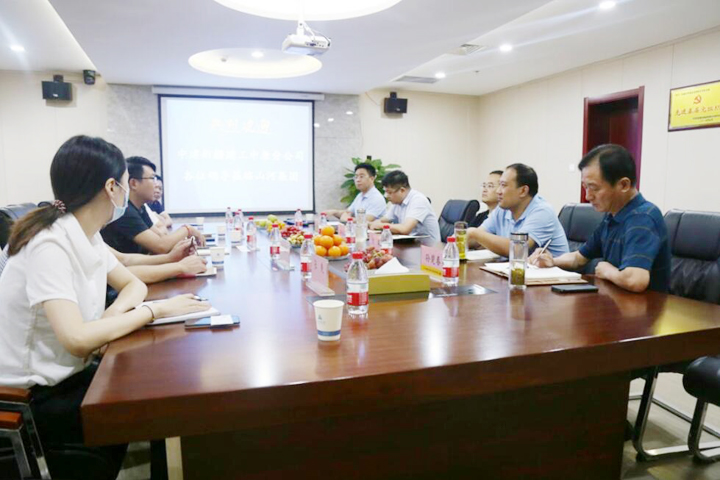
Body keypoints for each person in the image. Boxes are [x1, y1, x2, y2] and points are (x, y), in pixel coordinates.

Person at [0, 135, 209, 479]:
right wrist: (153, 311)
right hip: (33, 396)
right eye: (126, 183)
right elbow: (77, 340)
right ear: (112, 187)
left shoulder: (86, 233)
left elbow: (134, 284)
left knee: (156, 385)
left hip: (69, 373)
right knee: (154, 399)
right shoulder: (49, 243)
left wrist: (108, 318)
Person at [530, 144, 670, 293]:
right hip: (615, 300)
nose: (588, 196)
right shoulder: (612, 216)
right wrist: (552, 261)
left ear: (623, 185)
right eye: (585, 187)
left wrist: (608, 270)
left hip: (645, 305)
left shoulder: (642, 218)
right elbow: (578, 258)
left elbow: (635, 280)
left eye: (594, 188)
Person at [101, 156, 204, 254]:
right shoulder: (125, 210)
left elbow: (160, 236)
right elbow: (161, 246)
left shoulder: (140, 207)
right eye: (152, 178)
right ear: (133, 183)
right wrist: (187, 229)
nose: (156, 185)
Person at [466, 163, 569, 257]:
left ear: (523, 191)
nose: (498, 191)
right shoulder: (503, 209)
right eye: (499, 185)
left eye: (503, 185)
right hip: (515, 268)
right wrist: (464, 239)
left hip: (551, 271)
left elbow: (516, 249)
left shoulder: (542, 212)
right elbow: (475, 238)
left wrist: (475, 233)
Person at [369, 170, 441, 243]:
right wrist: (372, 224)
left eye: (390, 192)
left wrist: (380, 225)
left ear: (402, 190)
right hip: (409, 244)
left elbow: (405, 229)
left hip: (427, 247)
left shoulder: (418, 200)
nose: (387, 196)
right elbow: (383, 220)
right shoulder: (397, 202)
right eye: (386, 192)